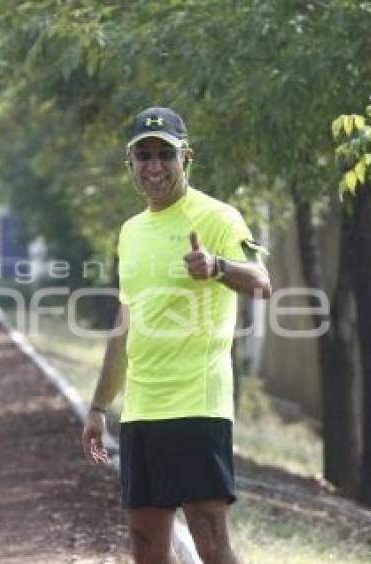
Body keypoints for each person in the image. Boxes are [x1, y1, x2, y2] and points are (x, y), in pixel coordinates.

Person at [81, 107, 271, 564]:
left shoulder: (218, 217)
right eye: (143, 155)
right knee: (147, 546)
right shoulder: (130, 231)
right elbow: (124, 327)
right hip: (142, 410)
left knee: (210, 541)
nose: (154, 167)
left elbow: (262, 282)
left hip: (197, 405)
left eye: (165, 154)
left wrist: (218, 267)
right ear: (129, 162)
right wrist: (98, 406)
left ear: (187, 157)